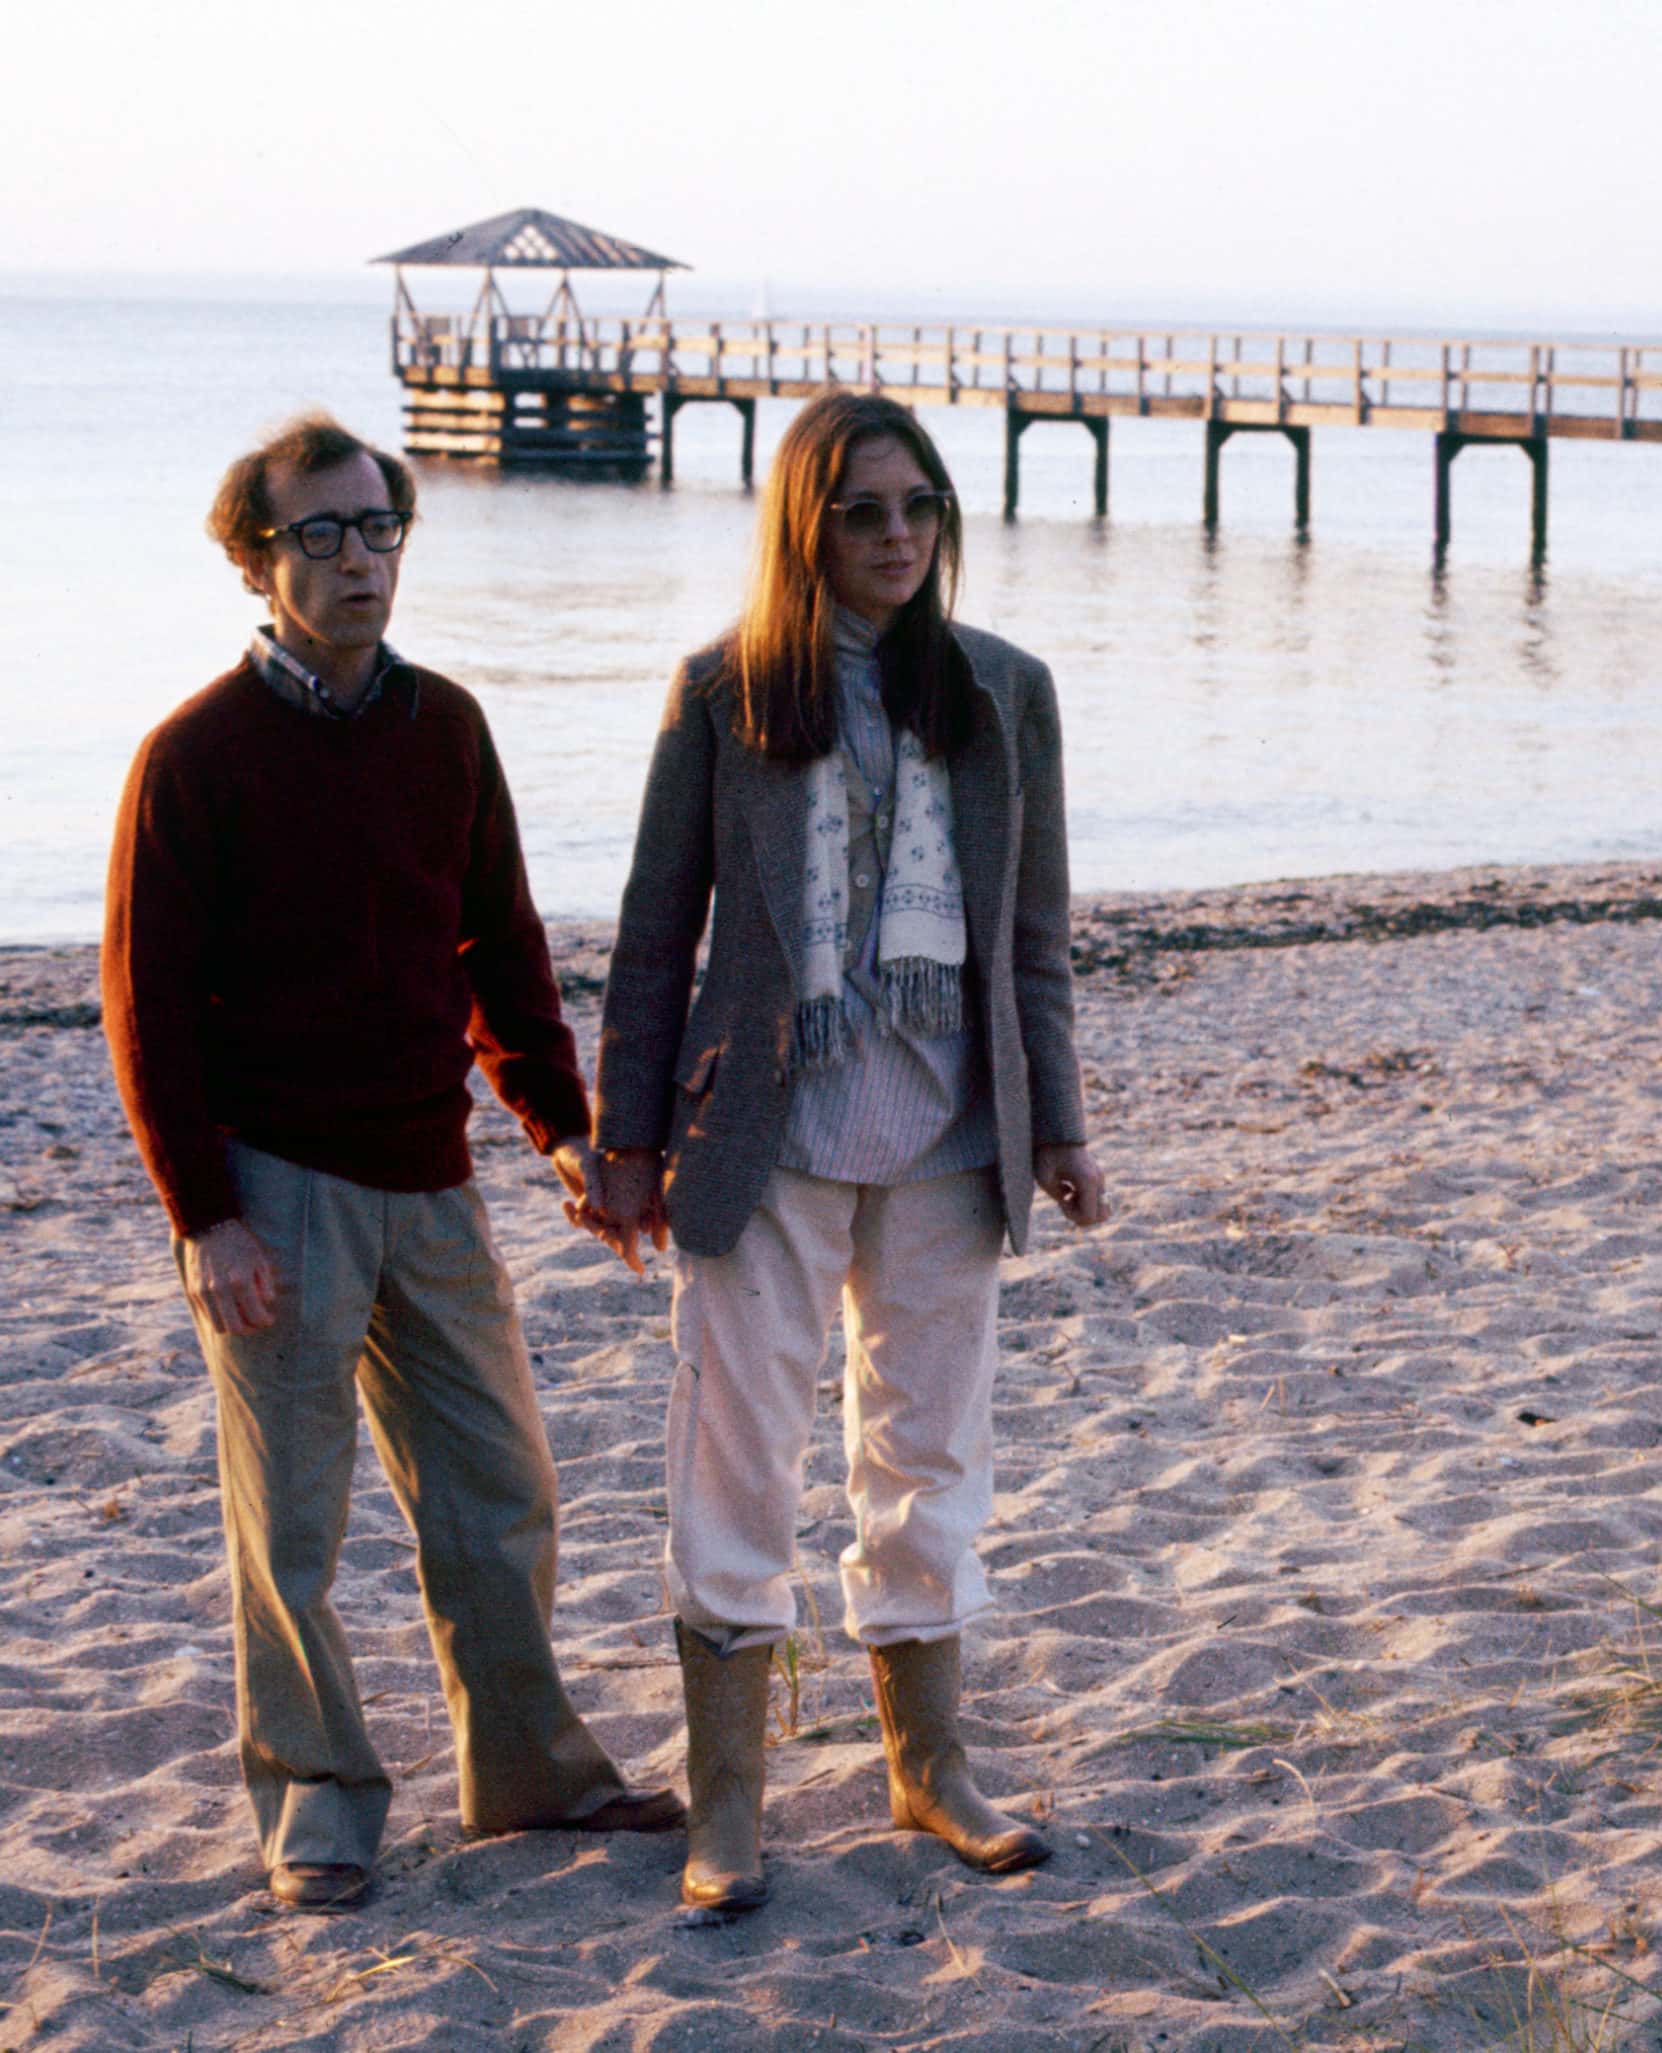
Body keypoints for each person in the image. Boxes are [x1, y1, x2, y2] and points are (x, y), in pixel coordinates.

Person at [102, 413, 682, 1914]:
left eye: (378, 530)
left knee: (500, 1488)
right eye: (322, 535)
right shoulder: (193, 758)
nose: (358, 559)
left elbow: (501, 945)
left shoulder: (449, 728)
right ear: (255, 557)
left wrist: (563, 1135)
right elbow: (144, 1009)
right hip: (275, 1184)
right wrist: (204, 1216)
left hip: (434, 1178)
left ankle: (530, 1770)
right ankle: (317, 1801)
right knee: (291, 1519)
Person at [587, 391, 1106, 1915]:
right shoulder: (723, 691)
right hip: (768, 1128)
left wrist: (1062, 1123)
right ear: (806, 527)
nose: (897, 538)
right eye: (865, 511)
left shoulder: (1005, 692)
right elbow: (649, 936)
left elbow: (1036, 936)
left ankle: (927, 1766)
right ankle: (730, 1803)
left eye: (920, 509)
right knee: (735, 1460)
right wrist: (623, 1137)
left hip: (955, 1130)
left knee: (929, 1451)